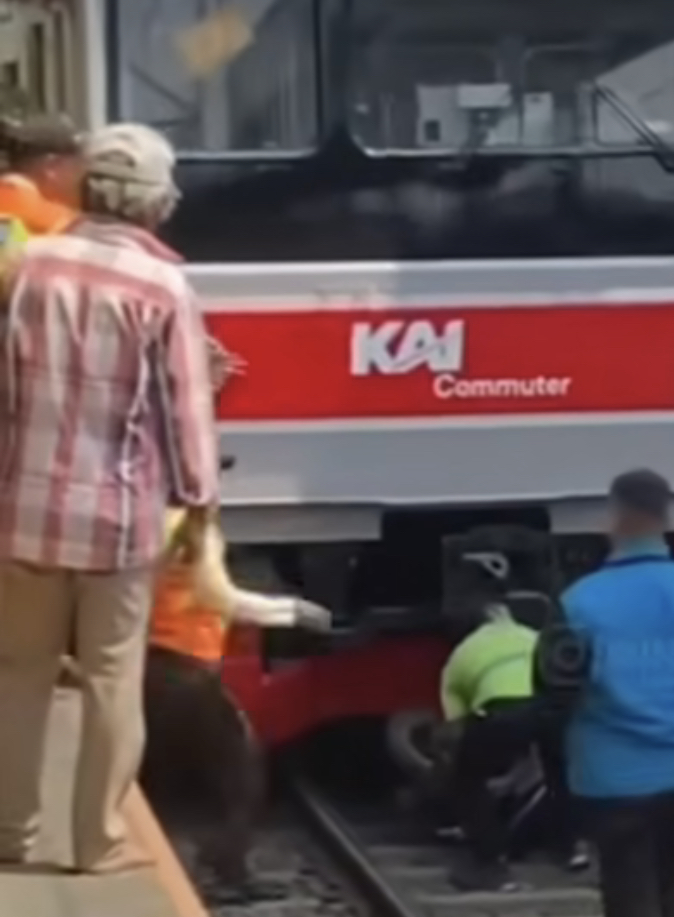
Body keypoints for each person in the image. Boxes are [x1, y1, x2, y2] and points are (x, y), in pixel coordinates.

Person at [0, 122, 219, 874]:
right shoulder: (164, 286)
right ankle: (95, 842)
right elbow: (187, 416)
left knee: (18, 674)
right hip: (117, 521)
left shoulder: (30, 266)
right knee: (110, 680)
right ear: (155, 204)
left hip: (20, 514)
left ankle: (10, 833)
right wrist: (200, 506)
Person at [535, 469, 674, 917]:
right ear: (667, 519)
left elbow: (550, 692)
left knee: (628, 887)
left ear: (614, 519)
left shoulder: (578, 602)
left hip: (612, 779)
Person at [142, 506, 333, 904]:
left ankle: (172, 865)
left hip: (147, 663)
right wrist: (292, 611)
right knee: (243, 772)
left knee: (154, 771)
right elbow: (217, 596)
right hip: (186, 668)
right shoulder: (192, 528)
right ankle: (226, 871)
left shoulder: (147, 519)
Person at [440, 601, 587, 892]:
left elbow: (456, 730)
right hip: (552, 707)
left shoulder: (458, 657)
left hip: (503, 712)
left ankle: (490, 864)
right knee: (559, 774)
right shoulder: (530, 634)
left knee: (468, 780)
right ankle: (570, 848)